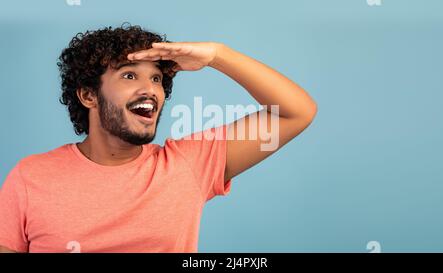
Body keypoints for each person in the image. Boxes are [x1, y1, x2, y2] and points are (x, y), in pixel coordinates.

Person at [0, 24, 317, 252]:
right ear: (88, 96)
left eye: (156, 78)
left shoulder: (188, 164)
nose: (150, 89)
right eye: (129, 75)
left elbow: (295, 112)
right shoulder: (30, 177)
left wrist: (219, 55)